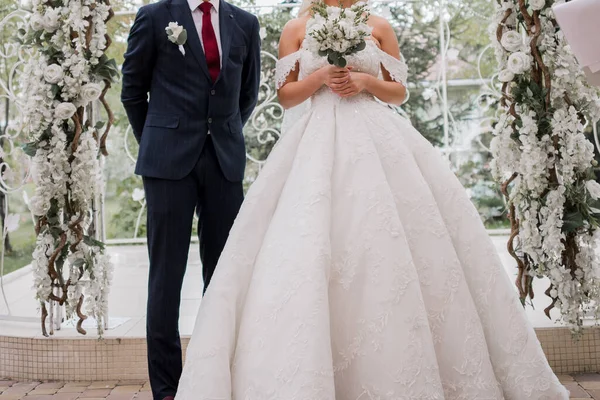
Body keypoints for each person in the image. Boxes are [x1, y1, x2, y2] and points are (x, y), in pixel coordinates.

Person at [175, 0, 569, 398]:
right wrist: (322, 78)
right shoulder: (297, 27)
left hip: (377, 135)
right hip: (313, 142)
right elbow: (287, 96)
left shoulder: (379, 25)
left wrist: (365, 83)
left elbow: (398, 92)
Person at [120, 0, 261, 397]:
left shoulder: (245, 22)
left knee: (223, 277)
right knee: (166, 277)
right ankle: (167, 388)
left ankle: (213, 377)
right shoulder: (153, 16)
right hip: (167, 164)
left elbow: (246, 94)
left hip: (224, 163)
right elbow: (132, 92)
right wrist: (159, 139)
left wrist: (221, 135)